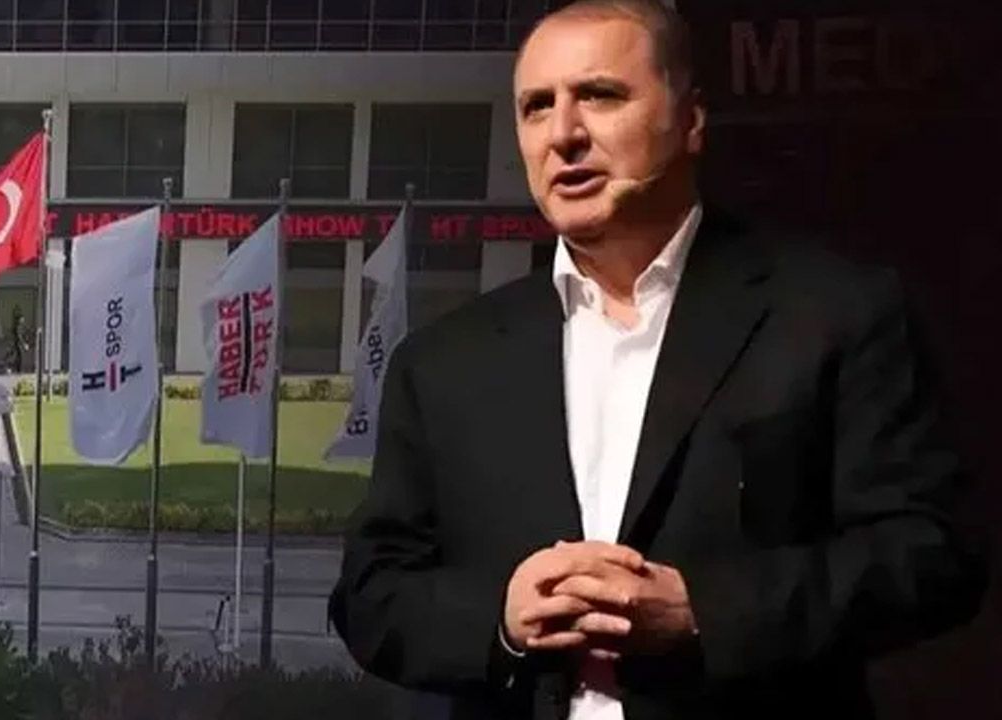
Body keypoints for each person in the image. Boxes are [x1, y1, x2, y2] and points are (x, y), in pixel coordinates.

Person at [327, 2, 988, 719]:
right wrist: (502, 618)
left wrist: (706, 612)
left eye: (600, 96)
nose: (563, 133)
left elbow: (932, 555)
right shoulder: (444, 362)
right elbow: (371, 596)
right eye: (537, 106)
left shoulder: (835, 313)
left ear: (691, 119)